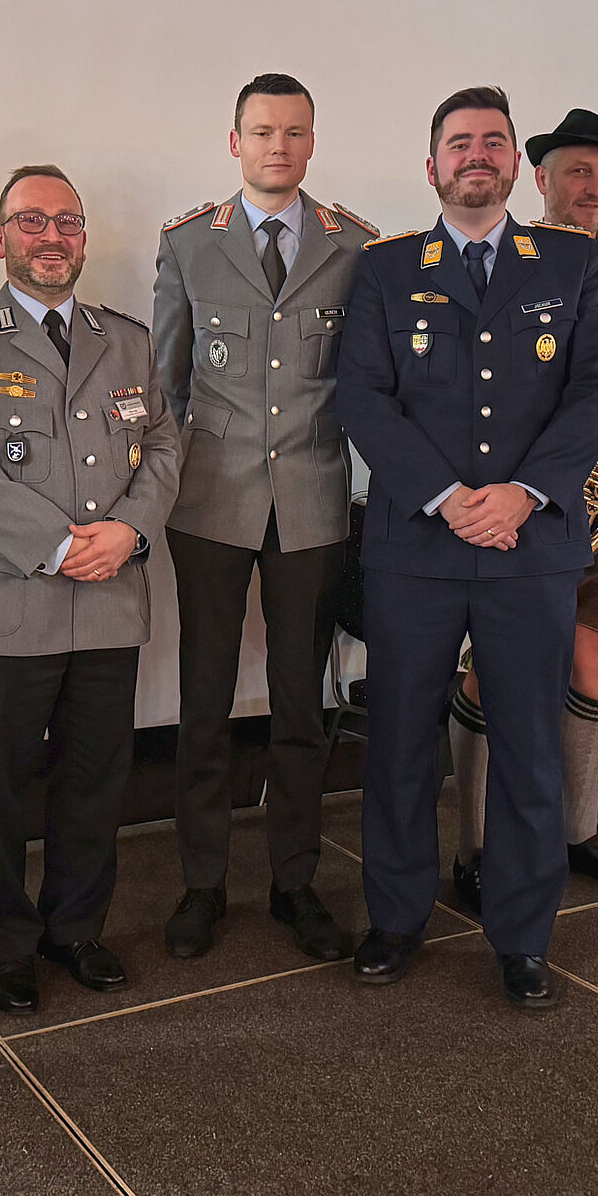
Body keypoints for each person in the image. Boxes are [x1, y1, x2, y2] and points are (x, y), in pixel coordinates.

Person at [335, 86, 598, 1011]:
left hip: (530, 544)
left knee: (531, 745)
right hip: (417, 546)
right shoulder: (384, 268)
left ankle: (524, 935)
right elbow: (363, 399)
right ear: (432, 166)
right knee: (403, 741)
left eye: (492, 141)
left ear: (514, 164)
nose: (476, 155)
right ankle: (397, 916)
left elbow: (595, 393)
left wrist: (522, 493)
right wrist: (453, 498)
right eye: (459, 143)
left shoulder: (573, 264)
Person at [0, 165, 181, 1014]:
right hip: (7, 601)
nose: (51, 237)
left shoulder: (128, 340)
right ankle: (6, 940)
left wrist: (132, 531)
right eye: (32, 221)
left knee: (95, 778)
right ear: (0, 239)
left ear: (84, 237)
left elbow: (166, 445)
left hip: (109, 597)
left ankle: (76, 928)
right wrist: (63, 544)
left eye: (67, 221)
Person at [150, 73, 376, 963]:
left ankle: (294, 879)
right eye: (261, 131)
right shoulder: (187, 246)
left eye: (293, 132)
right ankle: (202, 883)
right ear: (234, 141)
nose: (277, 145)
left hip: (313, 504)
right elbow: (166, 389)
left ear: (312, 142)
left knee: (298, 704)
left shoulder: (352, 245)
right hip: (210, 501)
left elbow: (361, 382)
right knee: (202, 701)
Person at [447, 109, 598, 914]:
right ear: (539, 177)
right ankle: (473, 847)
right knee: (494, 669)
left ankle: (575, 833)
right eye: (579, 171)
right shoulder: (509, 259)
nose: (595, 187)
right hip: (521, 506)